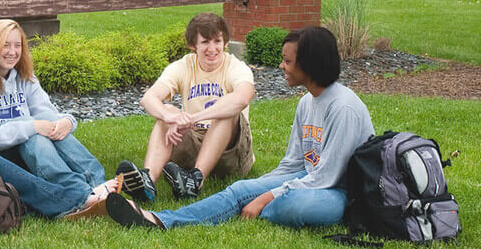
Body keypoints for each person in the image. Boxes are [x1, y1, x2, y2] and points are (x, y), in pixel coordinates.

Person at [106, 26, 374, 232]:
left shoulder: (344, 108)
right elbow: (293, 163)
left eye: (288, 61)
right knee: (240, 189)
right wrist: (257, 188)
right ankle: (159, 219)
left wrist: (266, 197)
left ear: (310, 64)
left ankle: (255, 208)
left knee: (294, 206)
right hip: (309, 176)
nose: (281, 66)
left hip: (339, 190)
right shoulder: (307, 102)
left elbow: (328, 177)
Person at [0, 19, 120, 218]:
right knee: (34, 135)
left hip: (16, 146)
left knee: (53, 129)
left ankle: (98, 183)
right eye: (5, 45)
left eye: (17, 45)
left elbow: (45, 112)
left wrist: (66, 122)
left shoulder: (23, 76)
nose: (12, 52)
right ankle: (81, 192)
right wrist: (31, 126)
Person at [115, 13, 255, 203]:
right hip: (195, 141)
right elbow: (148, 99)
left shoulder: (236, 67)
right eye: (205, 42)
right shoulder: (184, 66)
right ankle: (148, 182)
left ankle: (196, 180)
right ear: (192, 45)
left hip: (232, 152)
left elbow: (242, 98)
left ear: (225, 43)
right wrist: (170, 117)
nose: (212, 48)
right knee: (167, 112)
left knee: (227, 111)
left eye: (217, 41)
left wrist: (192, 118)